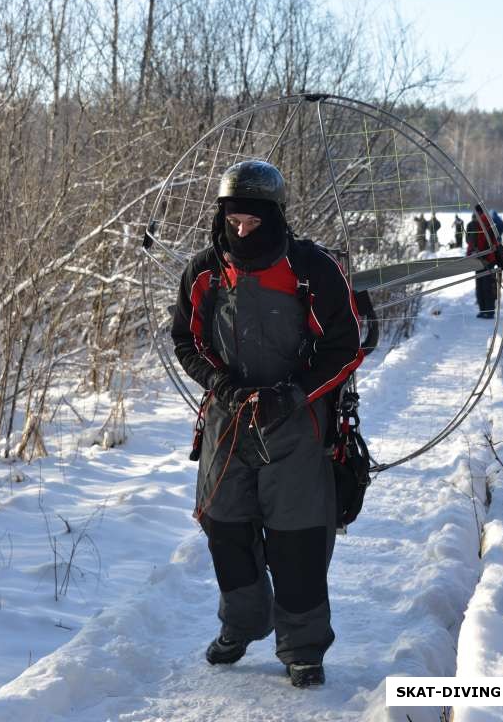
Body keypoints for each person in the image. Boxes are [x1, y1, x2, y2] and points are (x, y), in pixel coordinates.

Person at [171, 160, 363, 688]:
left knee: (297, 538)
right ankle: (244, 624)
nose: (240, 229)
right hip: (227, 423)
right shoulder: (204, 271)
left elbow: (344, 347)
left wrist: (294, 394)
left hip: (296, 425)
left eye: (252, 220)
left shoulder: (313, 270)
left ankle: (302, 647)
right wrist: (220, 383)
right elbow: (185, 340)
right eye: (232, 219)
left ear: (274, 216)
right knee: (225, 529)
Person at [466, 204, 498, 318]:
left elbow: (480, 241)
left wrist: (475, 253)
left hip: (485, 259)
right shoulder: (485, 222)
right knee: (483, 285)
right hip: (483, 258)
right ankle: (485, 310)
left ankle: (487, 311)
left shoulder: (483, 223)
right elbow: (472, 240)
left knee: (485, 285)